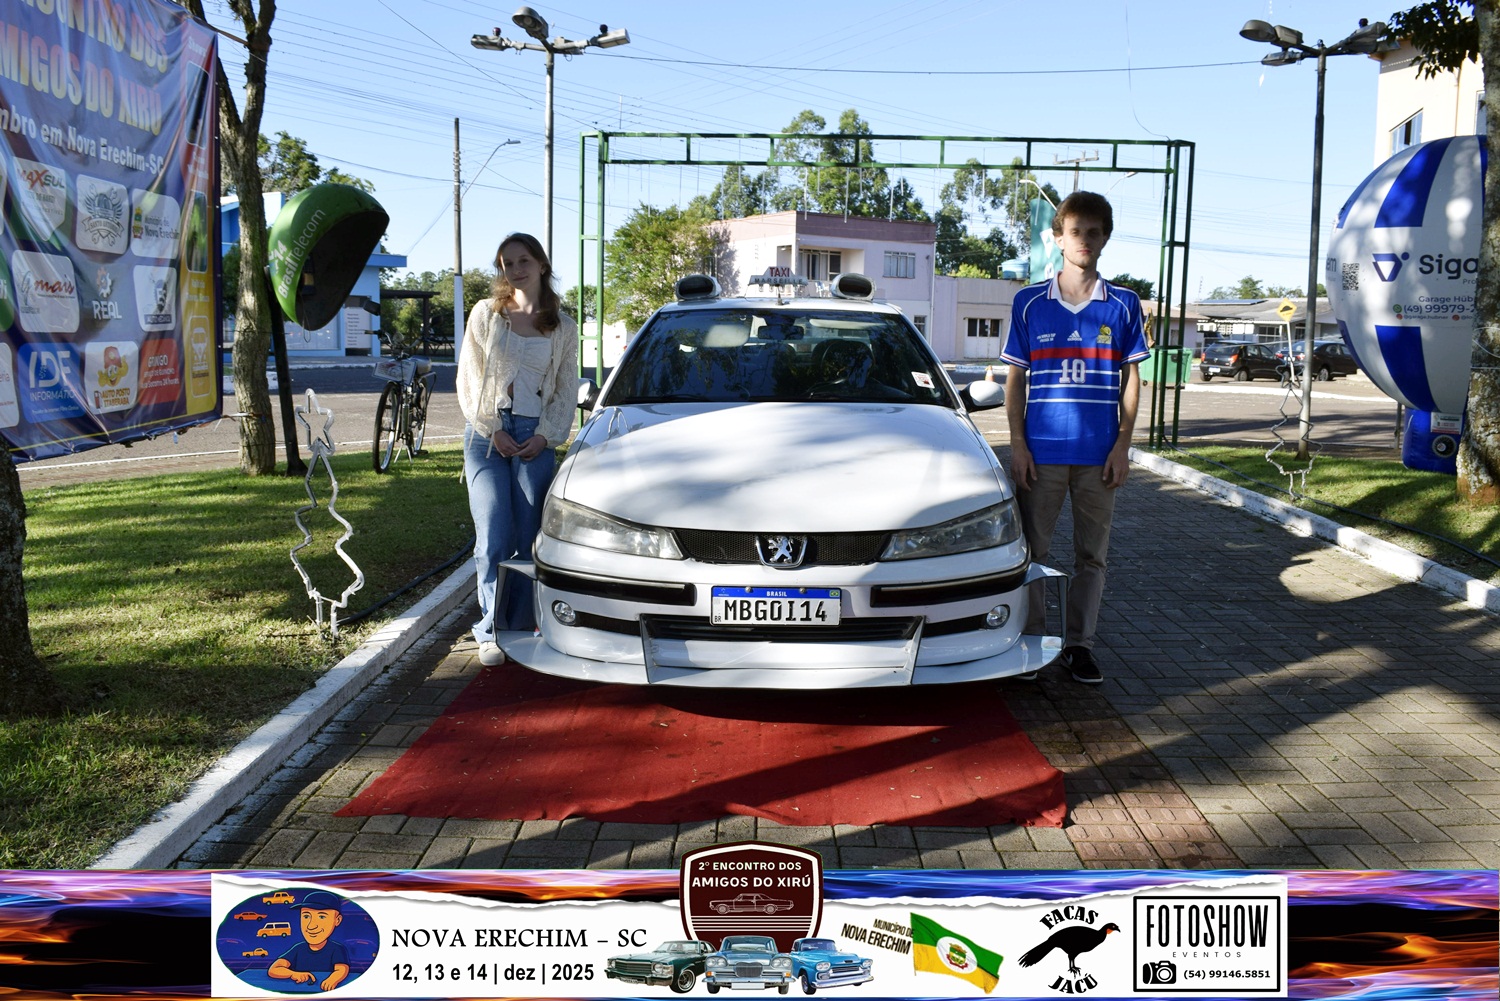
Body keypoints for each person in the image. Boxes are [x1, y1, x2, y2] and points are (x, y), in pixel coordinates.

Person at [1001, 191, 1148, 684]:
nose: (1084, 240)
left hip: (1099, 456)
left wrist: (1123, 445)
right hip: (1040, 455)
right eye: (1075, 231)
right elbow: (1016, 380)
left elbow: (1131, 380)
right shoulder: (1029, 302)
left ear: (1105, 239)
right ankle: (1031, 642)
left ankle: (1079, 645)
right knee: (1031, 555)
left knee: (1092, 557)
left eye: (1094, 232)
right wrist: (1018, 444)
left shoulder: (1124, 304)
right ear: (1058, 238)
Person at [457, 233, 579, 667]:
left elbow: (565, 387)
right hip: (485, 434)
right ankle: (490, 629)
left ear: (541, 264)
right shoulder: (486, 315)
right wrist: (491, 429)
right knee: (493, 534)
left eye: (523, 260)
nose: (515, 270)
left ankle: (524, 624)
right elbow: (469, 377)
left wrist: (546, 436)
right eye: (506, 263)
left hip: (534, 434)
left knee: (529, 538)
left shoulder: (563, 326)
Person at [266, 890, 350, 991]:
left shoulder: (337, 949)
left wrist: (333, 979)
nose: (311, 926)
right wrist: (292, 974)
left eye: (322, 917)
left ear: (337, 920)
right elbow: (274, 969)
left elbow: (342, 969)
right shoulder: (298, 949)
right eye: (306, 916)